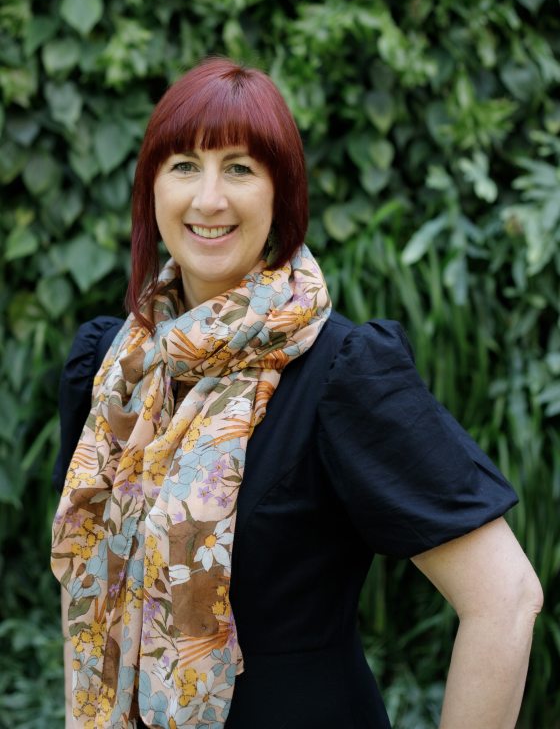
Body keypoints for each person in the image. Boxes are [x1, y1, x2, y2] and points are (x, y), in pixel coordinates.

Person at [52, 57, 542, 729]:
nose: (209, 198)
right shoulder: (114, 374)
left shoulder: (341, 374)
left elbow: (507, 597)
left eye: (241, 167)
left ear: (282, 193)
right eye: (184, 165)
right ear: (151, 190)